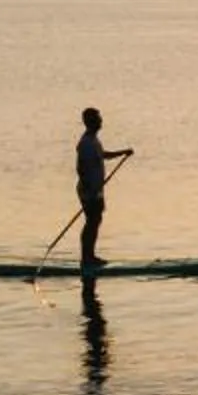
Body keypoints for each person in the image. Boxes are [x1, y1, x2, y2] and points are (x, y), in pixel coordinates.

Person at [74, 107, 133, 273]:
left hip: (96, 190)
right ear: (90, 122)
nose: (101, 121)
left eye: (100, 118)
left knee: (96, 220)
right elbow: (81, 168)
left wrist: (123, 153)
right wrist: (89, 190)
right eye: (98, 119)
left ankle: (90, 256)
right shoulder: (85, 143)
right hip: (88, 191)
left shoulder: (94, 141)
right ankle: (87, 258)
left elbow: (103, 155)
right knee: (91, 221)